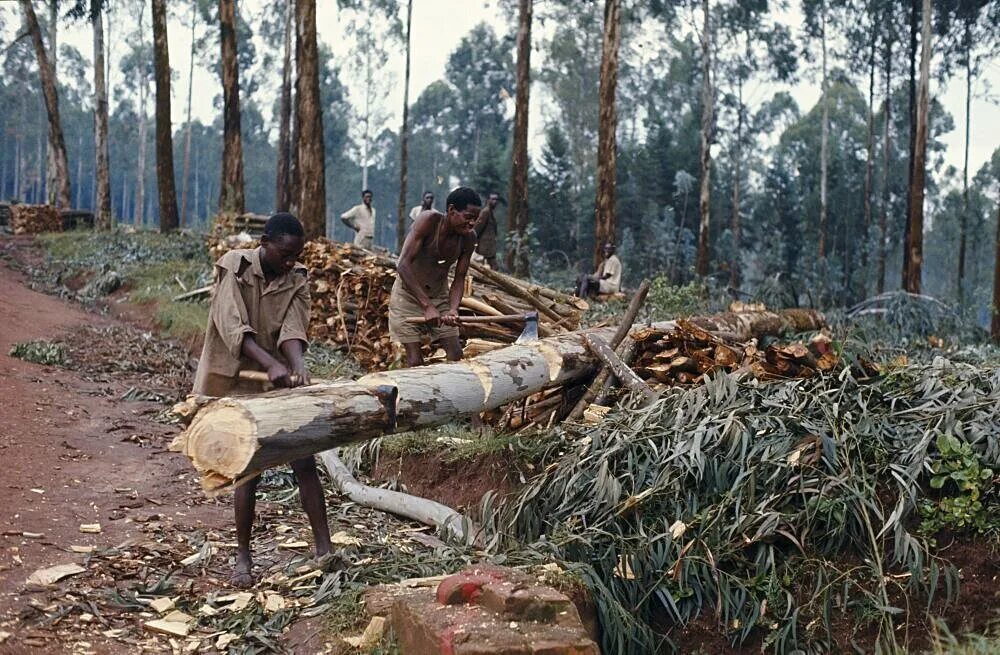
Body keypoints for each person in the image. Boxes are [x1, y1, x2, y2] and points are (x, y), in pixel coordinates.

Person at [192, 213, 332, 587]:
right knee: (249, 470)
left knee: (305, 461)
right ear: (264, 242)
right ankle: (243, 557)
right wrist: (270, 363)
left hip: (278, 376)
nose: (289, 262)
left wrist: (297, 366)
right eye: (284, 255)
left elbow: (294, 326)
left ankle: (325, 550)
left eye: (295, 256)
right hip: (238, 376)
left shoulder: (298, 277)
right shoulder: (234, 268)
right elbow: (233, 326)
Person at [389, 186, 480, 367]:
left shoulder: (468, 239)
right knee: (415, 361)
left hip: (439, 295)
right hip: (407, 296)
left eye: (475, 220)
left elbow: (459, 278)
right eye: (468, 217)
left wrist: (453, 309)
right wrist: (426, 306)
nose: (471, 224)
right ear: (452, 210)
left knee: (455, 354)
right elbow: (403, 265)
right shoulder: (428, 221)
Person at [473, 192, 500, 269]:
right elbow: (477, 228)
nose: (495, 201)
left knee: (490, 268)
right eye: (493, 199)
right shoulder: (485, 212)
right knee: (492, 267)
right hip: (484, 248)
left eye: (496, 199)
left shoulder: (491, 213)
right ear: (488, 200)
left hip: (489, 248)